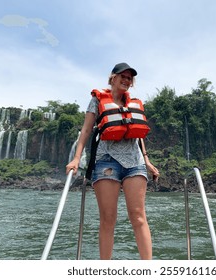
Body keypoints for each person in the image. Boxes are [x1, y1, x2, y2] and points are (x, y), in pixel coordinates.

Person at [66, 62, 159, 260]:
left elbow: (138, 135)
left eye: (129, 78)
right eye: (122, 76)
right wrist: (75, 159)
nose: (126, 80)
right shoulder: (97, 100)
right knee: (108, 219)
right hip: (106, 162)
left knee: (139, 217)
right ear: (113, 78)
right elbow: (86, 130)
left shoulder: (134, 102)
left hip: (135, 163)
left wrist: (147, 160)